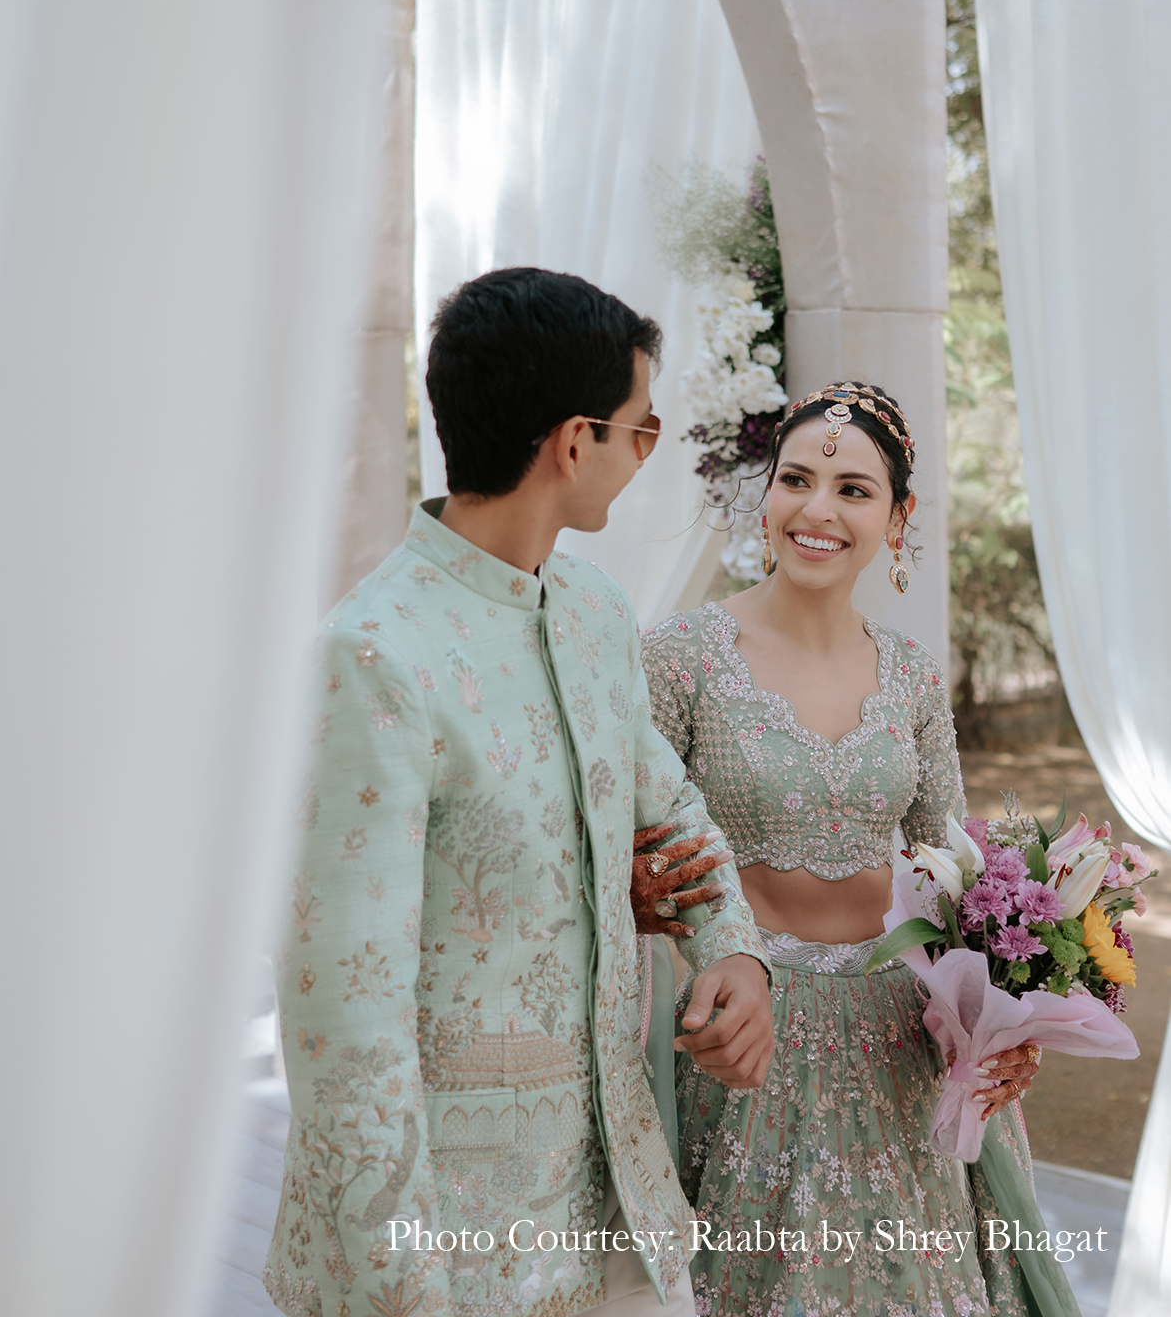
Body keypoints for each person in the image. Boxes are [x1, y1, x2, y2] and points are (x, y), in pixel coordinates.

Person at [264, 267, 776, 1317]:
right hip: (450, 1244)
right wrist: (405, 1287)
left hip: (617, 1206)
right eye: (640, 427)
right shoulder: (373, 654)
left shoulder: (589, 607)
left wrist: (730, 945)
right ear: (573, 439)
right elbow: (341, 1021)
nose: (646, 452)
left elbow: (666, 809)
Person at [636, 382, 1075, 1317]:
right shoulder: (681, 658)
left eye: (854, 489)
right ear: (765, 497)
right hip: (745, 1034)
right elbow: (637, 859)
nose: (818, 510)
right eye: (796, 480)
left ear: (898, 516)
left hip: (899, 1042)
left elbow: (960, 883)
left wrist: (1008, 1027)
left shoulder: (911, 674)